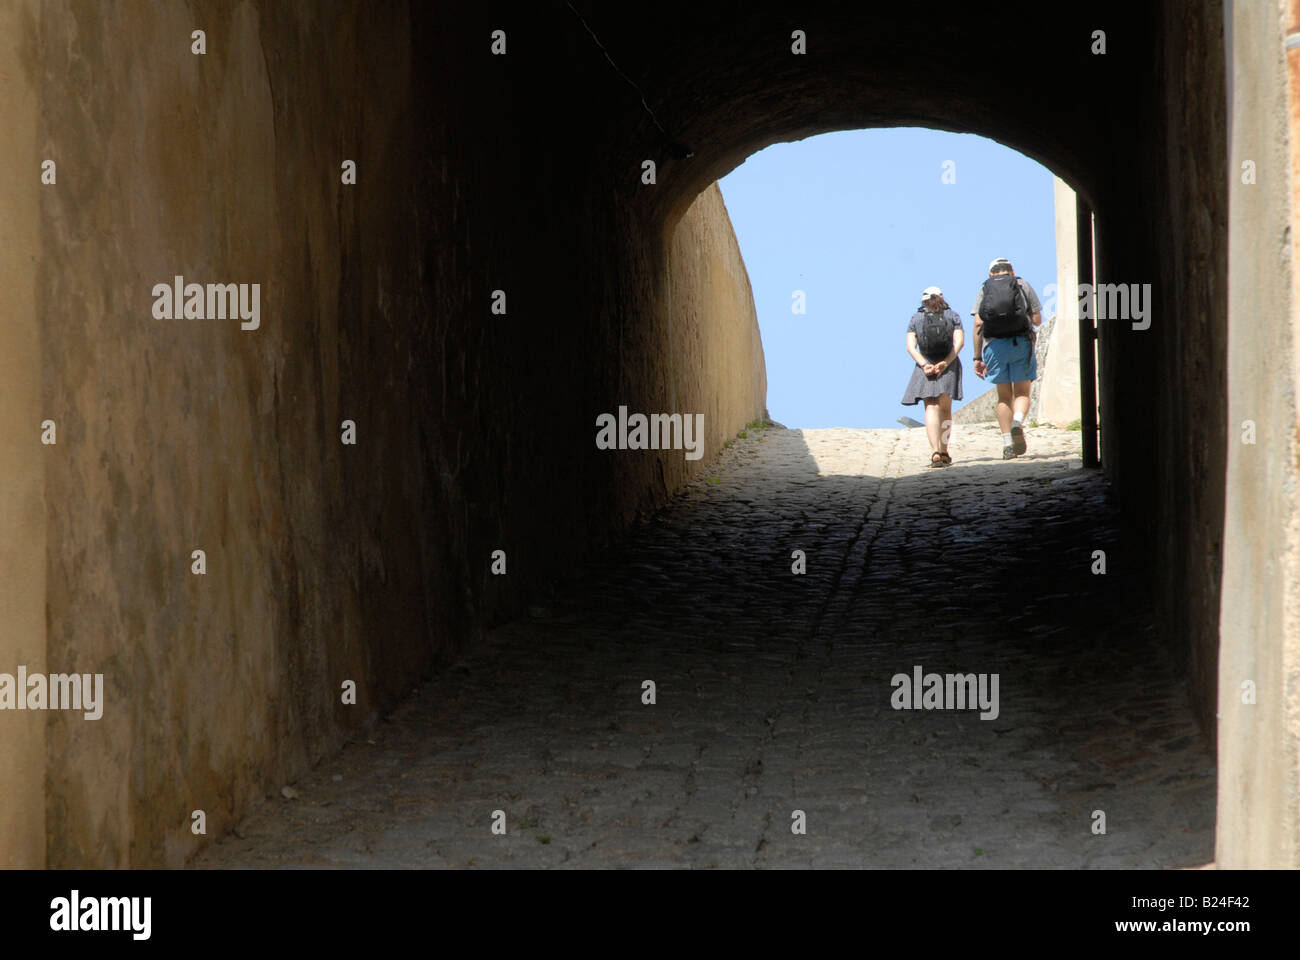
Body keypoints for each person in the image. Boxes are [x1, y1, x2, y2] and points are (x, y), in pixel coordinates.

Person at [971, 258, 1042, 459]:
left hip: (994, 346)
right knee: (1022, 392)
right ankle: (1017, 423)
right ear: (1011, 271)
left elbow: (978, 324)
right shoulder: (1022, 284)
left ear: (991, 274)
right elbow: (1037, 319)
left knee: (1003, 397)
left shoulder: (985, 288)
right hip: (1021, 343)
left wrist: (977, 357)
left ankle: (1007, 445)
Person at [901, 286, 964, 467]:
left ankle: (934, 450)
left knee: (931, 407)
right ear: (942, 298)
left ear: (923, 302)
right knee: (945, 409)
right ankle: (944, 450)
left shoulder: (916, 318)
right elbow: (959, 342)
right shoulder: (953, 315)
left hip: (926, 366)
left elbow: (910, 347)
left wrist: (924, 364)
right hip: (948, 366)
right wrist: (947, 361)